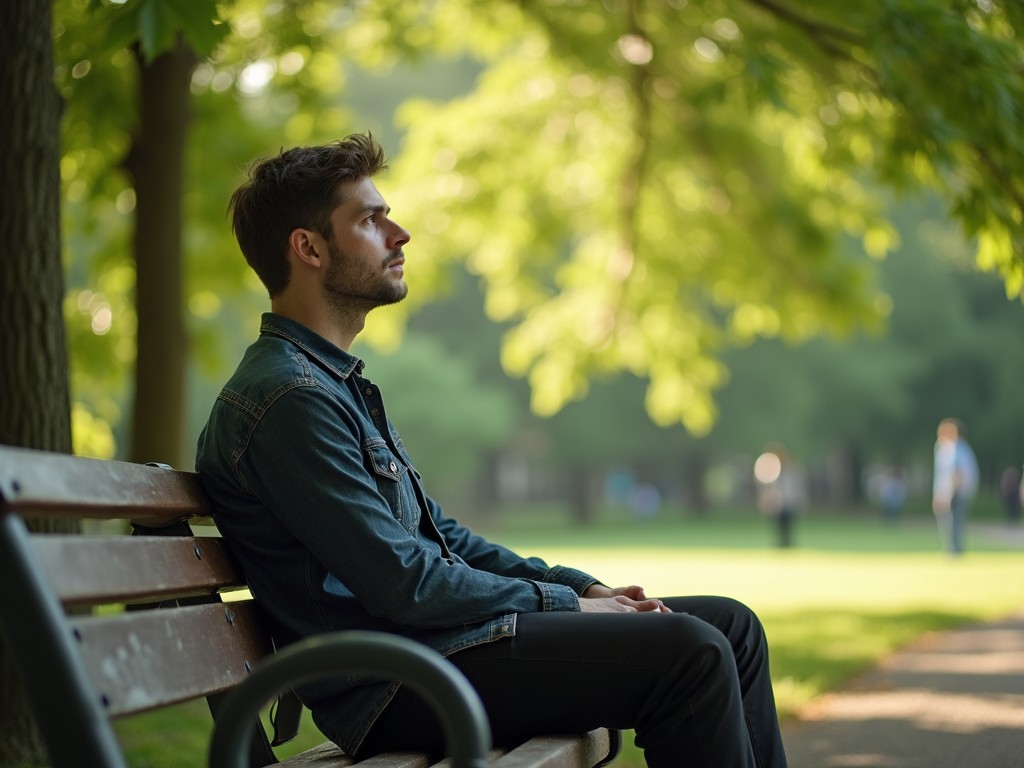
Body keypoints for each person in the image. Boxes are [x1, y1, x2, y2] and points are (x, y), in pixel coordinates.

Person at [195, 134, 788, 768]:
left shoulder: (327, 383)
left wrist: (579, 585)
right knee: (689, 653)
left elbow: (443, 538)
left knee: (732, 627)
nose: (400, 234)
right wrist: (571, 607)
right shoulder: (288, 400)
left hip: (442, 650)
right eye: (370, 219)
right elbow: (407, 585)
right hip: (397, 684)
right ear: (308, 247)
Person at [931, 418, 979, 555]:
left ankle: (955, 549)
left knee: (953, 521)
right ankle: (954, 547)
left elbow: (957, 473)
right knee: (953, 521)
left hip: (956, 492)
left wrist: (947, 494)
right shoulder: (954, 448)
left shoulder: (955, 449)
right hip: (956, 491)